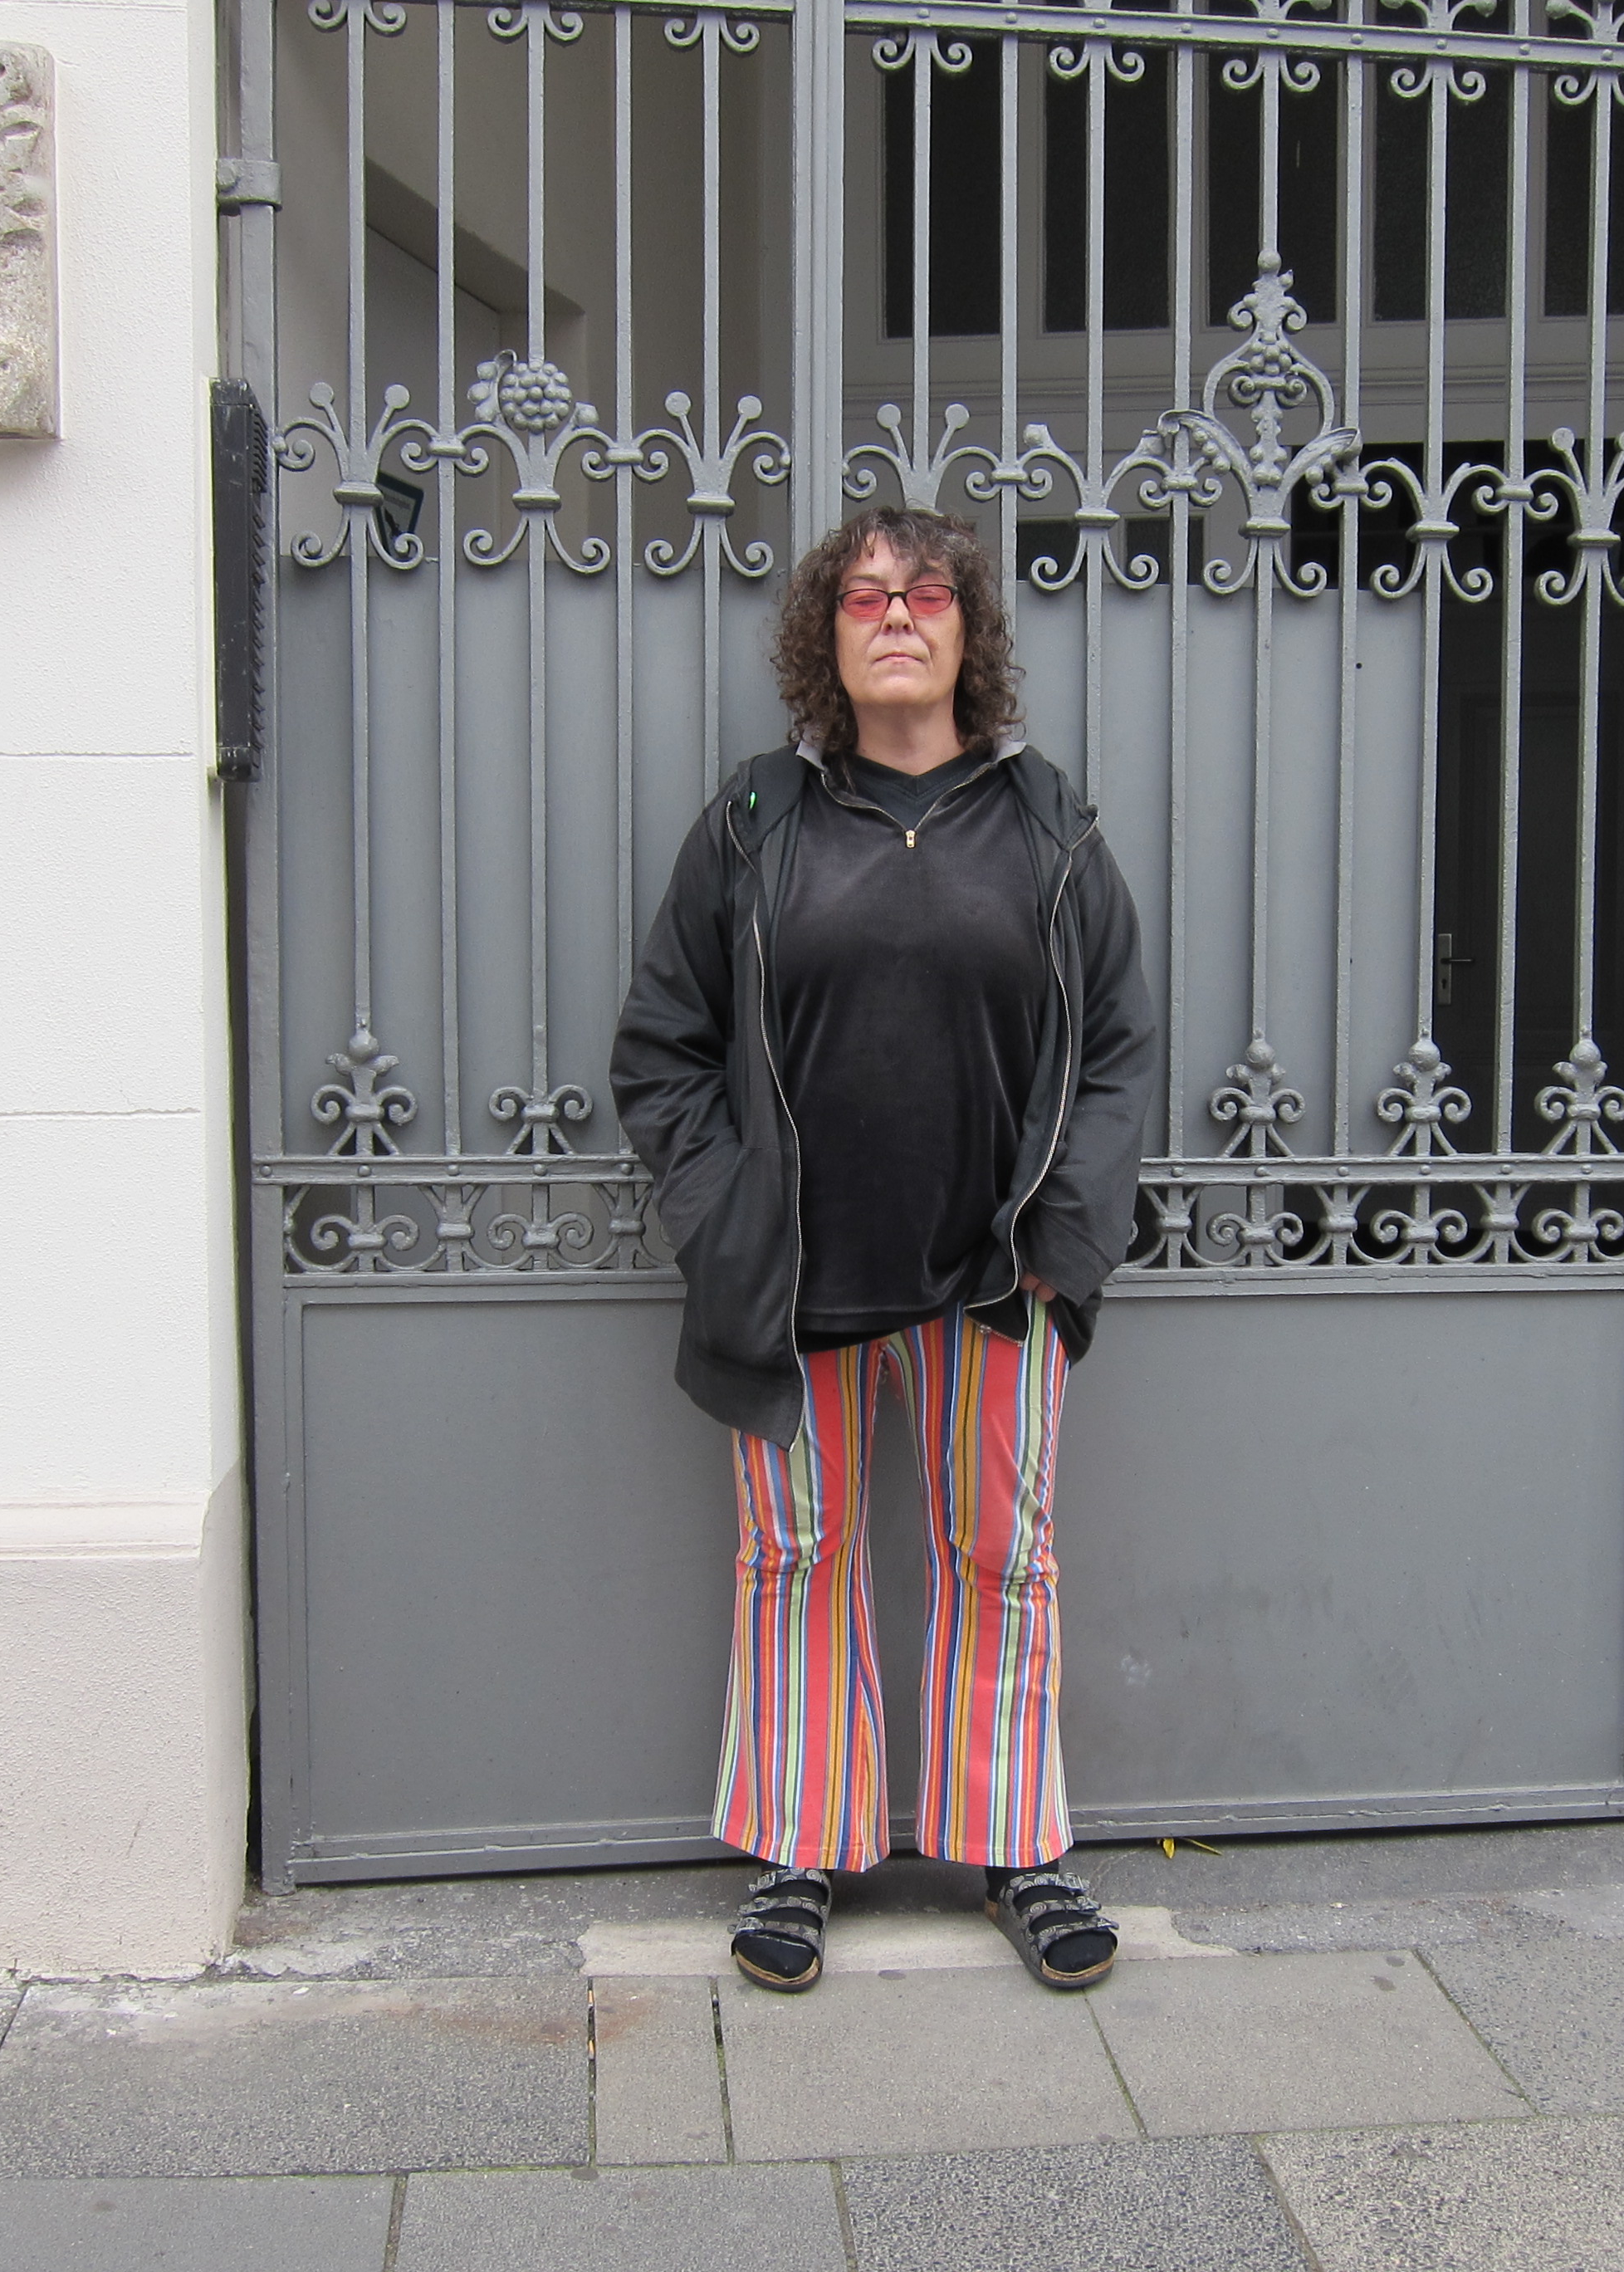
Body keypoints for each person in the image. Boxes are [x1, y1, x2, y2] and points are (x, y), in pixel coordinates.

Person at [610, 506, 1159, 1992]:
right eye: (864, 597)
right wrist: (726, 1213)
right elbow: (663, 1050)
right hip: (797, 1281)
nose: (897, 615)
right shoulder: (753, 823)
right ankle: (801, 1849)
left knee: (1003, 1555)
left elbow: (1118, 1051)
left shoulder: (1048, 825)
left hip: (998, 1276)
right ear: (827, 638)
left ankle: (1019, 1849)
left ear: (968, 632)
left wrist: (1064, 1236)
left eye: (925, 593)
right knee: (795, 1555)